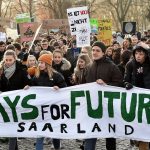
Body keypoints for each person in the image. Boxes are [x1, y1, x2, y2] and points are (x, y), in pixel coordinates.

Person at [84, 41, 123, 150]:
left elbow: (120, 83)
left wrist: (106, 85)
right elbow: (83, 84)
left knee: (109, 135)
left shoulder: (112, 67)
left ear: (103, 53)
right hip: (92, 106)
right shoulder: (89, 66)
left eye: (97, 50)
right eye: (93, 50)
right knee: (90, 133)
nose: (95, 52)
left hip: (107, 107)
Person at [31, 53, 67, 150]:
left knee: (54, 132)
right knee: (40, 133)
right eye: (39, 62)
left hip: (54, 109)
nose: (40, 65)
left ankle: (57, 147)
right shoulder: (36, 76)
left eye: (42, 62)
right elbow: (33, 88)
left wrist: (58, 88)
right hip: (41, 108)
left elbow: (65, 89)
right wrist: (28, 88)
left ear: (47, 64)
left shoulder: (57, 76)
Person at [0, 49, 30, 150]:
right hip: (4, 103)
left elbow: (29, 82)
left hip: (17, 103)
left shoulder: (21, 70)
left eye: (10, 60)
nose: (8, 62)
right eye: (6, 60)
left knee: (13, 126)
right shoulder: (0, 70)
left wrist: (27, 86)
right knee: (8, 126)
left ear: (14, 59)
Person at [124, 42, 150, 150]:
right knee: (139, 124)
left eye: (141, 54)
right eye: (136, 53)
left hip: (148, 98)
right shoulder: (130, 65)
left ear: (146, 55)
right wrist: (127, 84)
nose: (138, 56)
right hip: (136, 99)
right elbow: (125, 80)